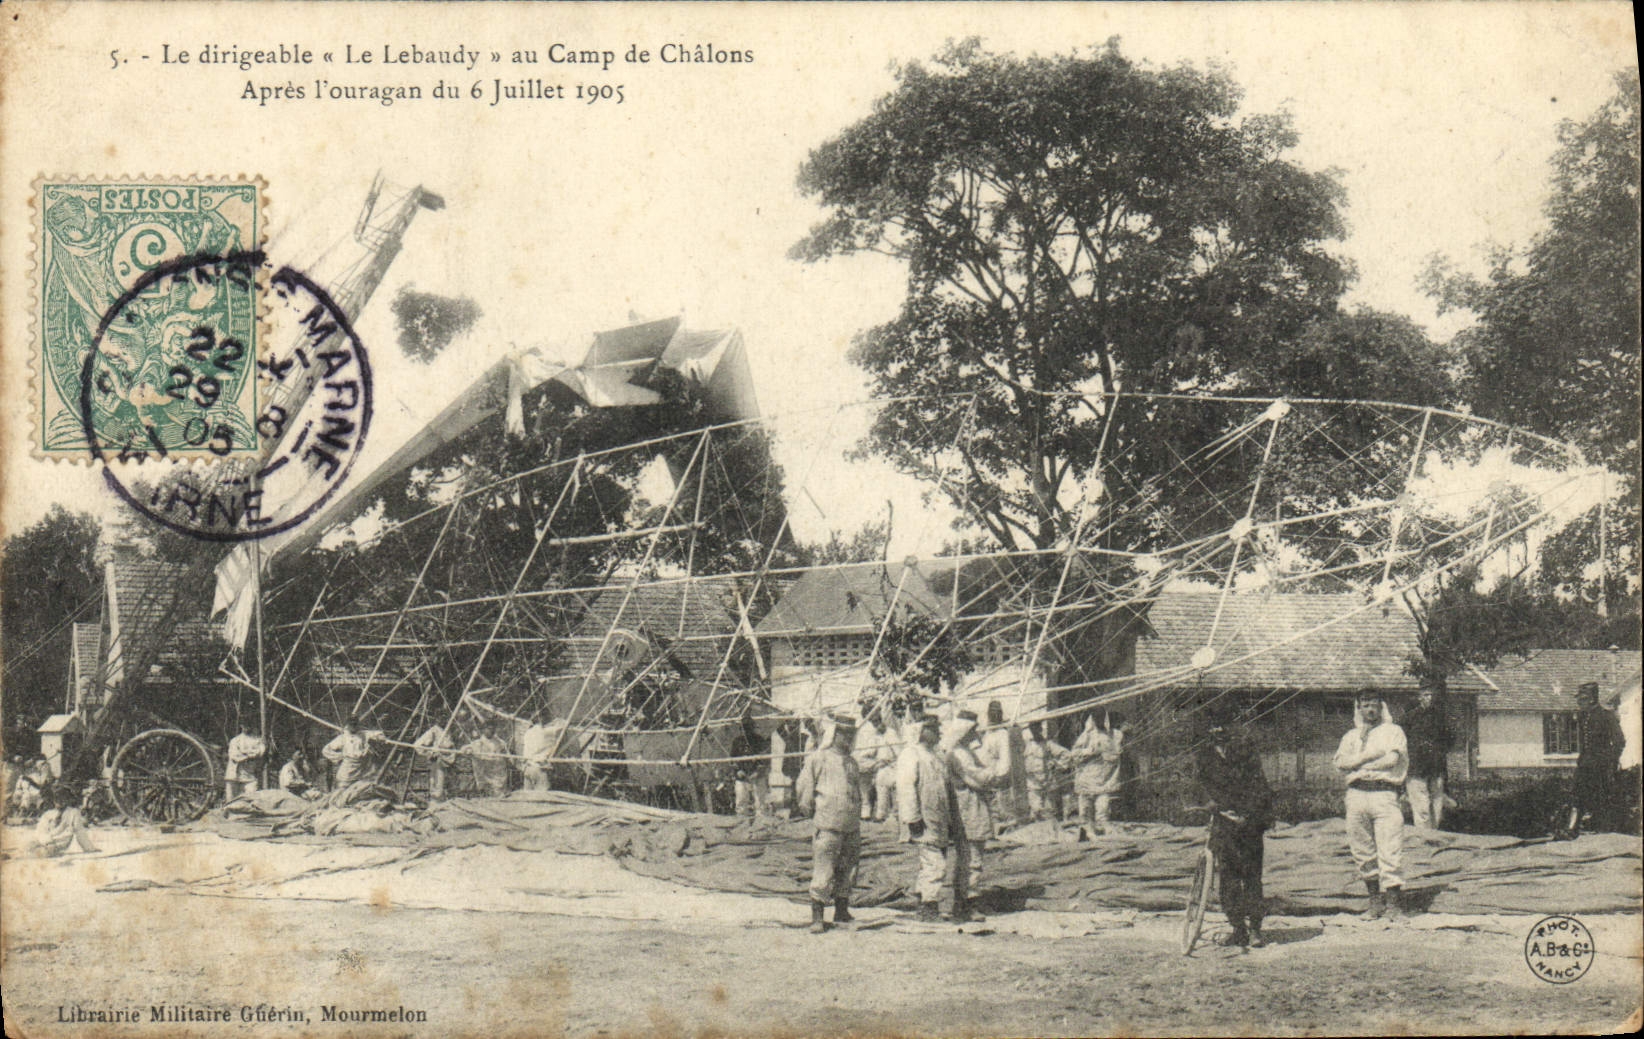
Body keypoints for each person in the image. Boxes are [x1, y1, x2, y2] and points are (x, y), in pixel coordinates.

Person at [1196, 709, 1276, 948]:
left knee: (1251, 876)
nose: (1218, 732)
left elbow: (1259, 785)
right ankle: (1237, 928)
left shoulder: (1245, 751)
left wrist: (1248, 815)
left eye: (1223, 726)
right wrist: (1208, 801)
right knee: (1228, 877)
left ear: (1232, 728)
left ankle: (1255, 929)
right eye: (1213, 727)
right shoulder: (1204, 756)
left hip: (1248, 822)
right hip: (1223, 822)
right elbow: (1200, 784)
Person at [1334, 690, 1409, 920]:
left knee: (1390, 849)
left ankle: (1394, 906)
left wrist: (1360, 766)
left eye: (1374, 704)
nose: (1370, 709)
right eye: (1365, 705)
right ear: (1359, 708)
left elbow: (1391, 761)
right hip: (1356, 795)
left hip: (1384, 794)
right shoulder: (1350, 736)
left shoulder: (1393, 731)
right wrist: (1366, 758)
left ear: (1381, 706)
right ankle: (1374, 904)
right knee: (1362, 850)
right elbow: (1340, 764)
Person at [897, 714, 973, 922]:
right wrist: (912, 818)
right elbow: (906, 788)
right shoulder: (911, 754)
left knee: (931, 862)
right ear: (921, 731)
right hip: (922, 819)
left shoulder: (936, 756)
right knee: (935, 864)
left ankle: (923, 902)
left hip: (938, 817)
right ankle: (929, 907)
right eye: (933, 728)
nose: (938, 731)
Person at [795, 715, 863, 933]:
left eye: (851, 735)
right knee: (824, 871)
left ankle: (842, 911)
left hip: (851, 825)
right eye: (845, 734)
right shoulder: (819, 758)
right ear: (835, 734)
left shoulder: (852, 762)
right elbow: (804, 788)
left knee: (849, 869)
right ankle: (817, 917)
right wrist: (811, 811)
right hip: (828, 824)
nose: (848, 739)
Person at [945, 710, 1009, 905]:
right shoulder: (959, 755)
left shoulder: (966, 752)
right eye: (973, 730)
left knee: (972, 854)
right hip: (967, 809)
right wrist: (996, 775)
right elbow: (977, 778)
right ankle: (968, 900)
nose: (976, 733)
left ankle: (965, 897)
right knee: (971, 857)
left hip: (973, 807)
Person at [1574, 681, 1625, 832]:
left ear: (1591, 699)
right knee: (1578, 794)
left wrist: (1610, 761)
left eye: (1582, 699)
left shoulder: (1606, 716)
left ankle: (1602, 830)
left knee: (1600, 797)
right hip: (1585, 764)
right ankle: (1575, 828)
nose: (1579, 702)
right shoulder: (1583, 717)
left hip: (1601, 765)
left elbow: (1619, 741)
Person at [1402, 681, 1452, 830]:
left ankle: (1434, 834)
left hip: (1435, 766)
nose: (1429, 698)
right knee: (1421, 807)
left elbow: (1449, 738)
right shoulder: (1409, 718)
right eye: (1425, 695)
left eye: (1431, 695)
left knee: (1437, 805)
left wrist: (1439, 752)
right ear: (1419, 697)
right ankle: (1423, 838)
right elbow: (1400, 740)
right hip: (1416, 767)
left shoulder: (1440, 718)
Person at [1072, 710, 1126, 835]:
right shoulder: (1087, 735)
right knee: (1085, 811)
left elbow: (1118, 752)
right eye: (1096, 718)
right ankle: (1087, 832)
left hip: (1105, 779)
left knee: (1103, 809)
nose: (1099, 721)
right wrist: (1089, 751)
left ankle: (1104, 834)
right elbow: (1074, 754)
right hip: (1087, 779)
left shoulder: (1115, 735)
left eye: (1101, 717)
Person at [1023, 721, 1072, 823]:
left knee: (1051, 811)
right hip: (1033, 784)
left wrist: (1057, 765)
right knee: (1036, 810)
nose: (1035, 731)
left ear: (1040, 729)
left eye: (1037, 728)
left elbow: (1066, 754)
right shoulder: (1026, 745)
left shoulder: (1048, 744)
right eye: (1032, 729)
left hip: (1048, 783)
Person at [32, 785, 99, 857]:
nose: (60, 802)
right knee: (29, 847)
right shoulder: (48, 814)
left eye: (63, 799)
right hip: (45, 842)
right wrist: (46, 841)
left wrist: (89, 848)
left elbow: (80, 832)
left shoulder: (73, 813)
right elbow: (40, 831)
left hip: (58, 844)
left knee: (43, 853)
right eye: (57, 799)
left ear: (68, 800)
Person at [730, 708, 772, 818]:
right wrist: (738, 770)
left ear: (752, 728)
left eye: (748, 728)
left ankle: (762, 820)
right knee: (741, 799)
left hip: (757, 774)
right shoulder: (737, 741)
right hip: (742, 774)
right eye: (743, 728)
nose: (746, 731)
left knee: (760, 799)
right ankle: (741, 819)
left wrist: (758, 771)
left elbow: (765, 758)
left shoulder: (759, 740)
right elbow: (732, 758)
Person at [322, 716, 374, 791]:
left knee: (358, 790)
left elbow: (378, 735)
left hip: (360, 769)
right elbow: (326, 750)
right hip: (347, 768)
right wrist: (339, 757)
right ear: (348, 725)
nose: (353, 727)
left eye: (355, 724)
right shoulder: (343, 737)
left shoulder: (363, 734)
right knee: (342, 789)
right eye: (351, 725)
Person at [520, 711, 565, 792]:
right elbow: (562, 726)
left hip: (527, 768)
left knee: (528, 796)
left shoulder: (528, 732)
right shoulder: (545, 732)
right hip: (539, 769)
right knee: (542, 796)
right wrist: (556, 721)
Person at [412, 722, 457, 801]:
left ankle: (444, 797)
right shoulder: (435, 730)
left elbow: (450, 746)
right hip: (437, 759)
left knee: (444, 779)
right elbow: (418, 744)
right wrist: (429, 751)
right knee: (436, 779)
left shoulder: (450, 730)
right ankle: (436, 798)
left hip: (447, 758)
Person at [463, 724, 510, 798]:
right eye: (488, 729)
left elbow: (506, 753)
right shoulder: (478, 743)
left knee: (499, 790)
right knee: (486, 790)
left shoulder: (500, 742)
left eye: (492, 729)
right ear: (484, 730)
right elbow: (466, 749)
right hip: (485, 771)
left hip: (497, 771)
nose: (491, 731)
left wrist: (505, 754)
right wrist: (468, 750)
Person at [224, 724, 268, 802]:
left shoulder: (257, 740)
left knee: (252, 801)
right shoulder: (235, 740)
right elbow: (235, 756)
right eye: (244, 725)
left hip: (249, 776)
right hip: (233, 776)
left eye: (248, 725)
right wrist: (250, 755)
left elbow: (260, 751)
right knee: (231, 802)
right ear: (241, 726)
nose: (246, 727)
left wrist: (245, 753)